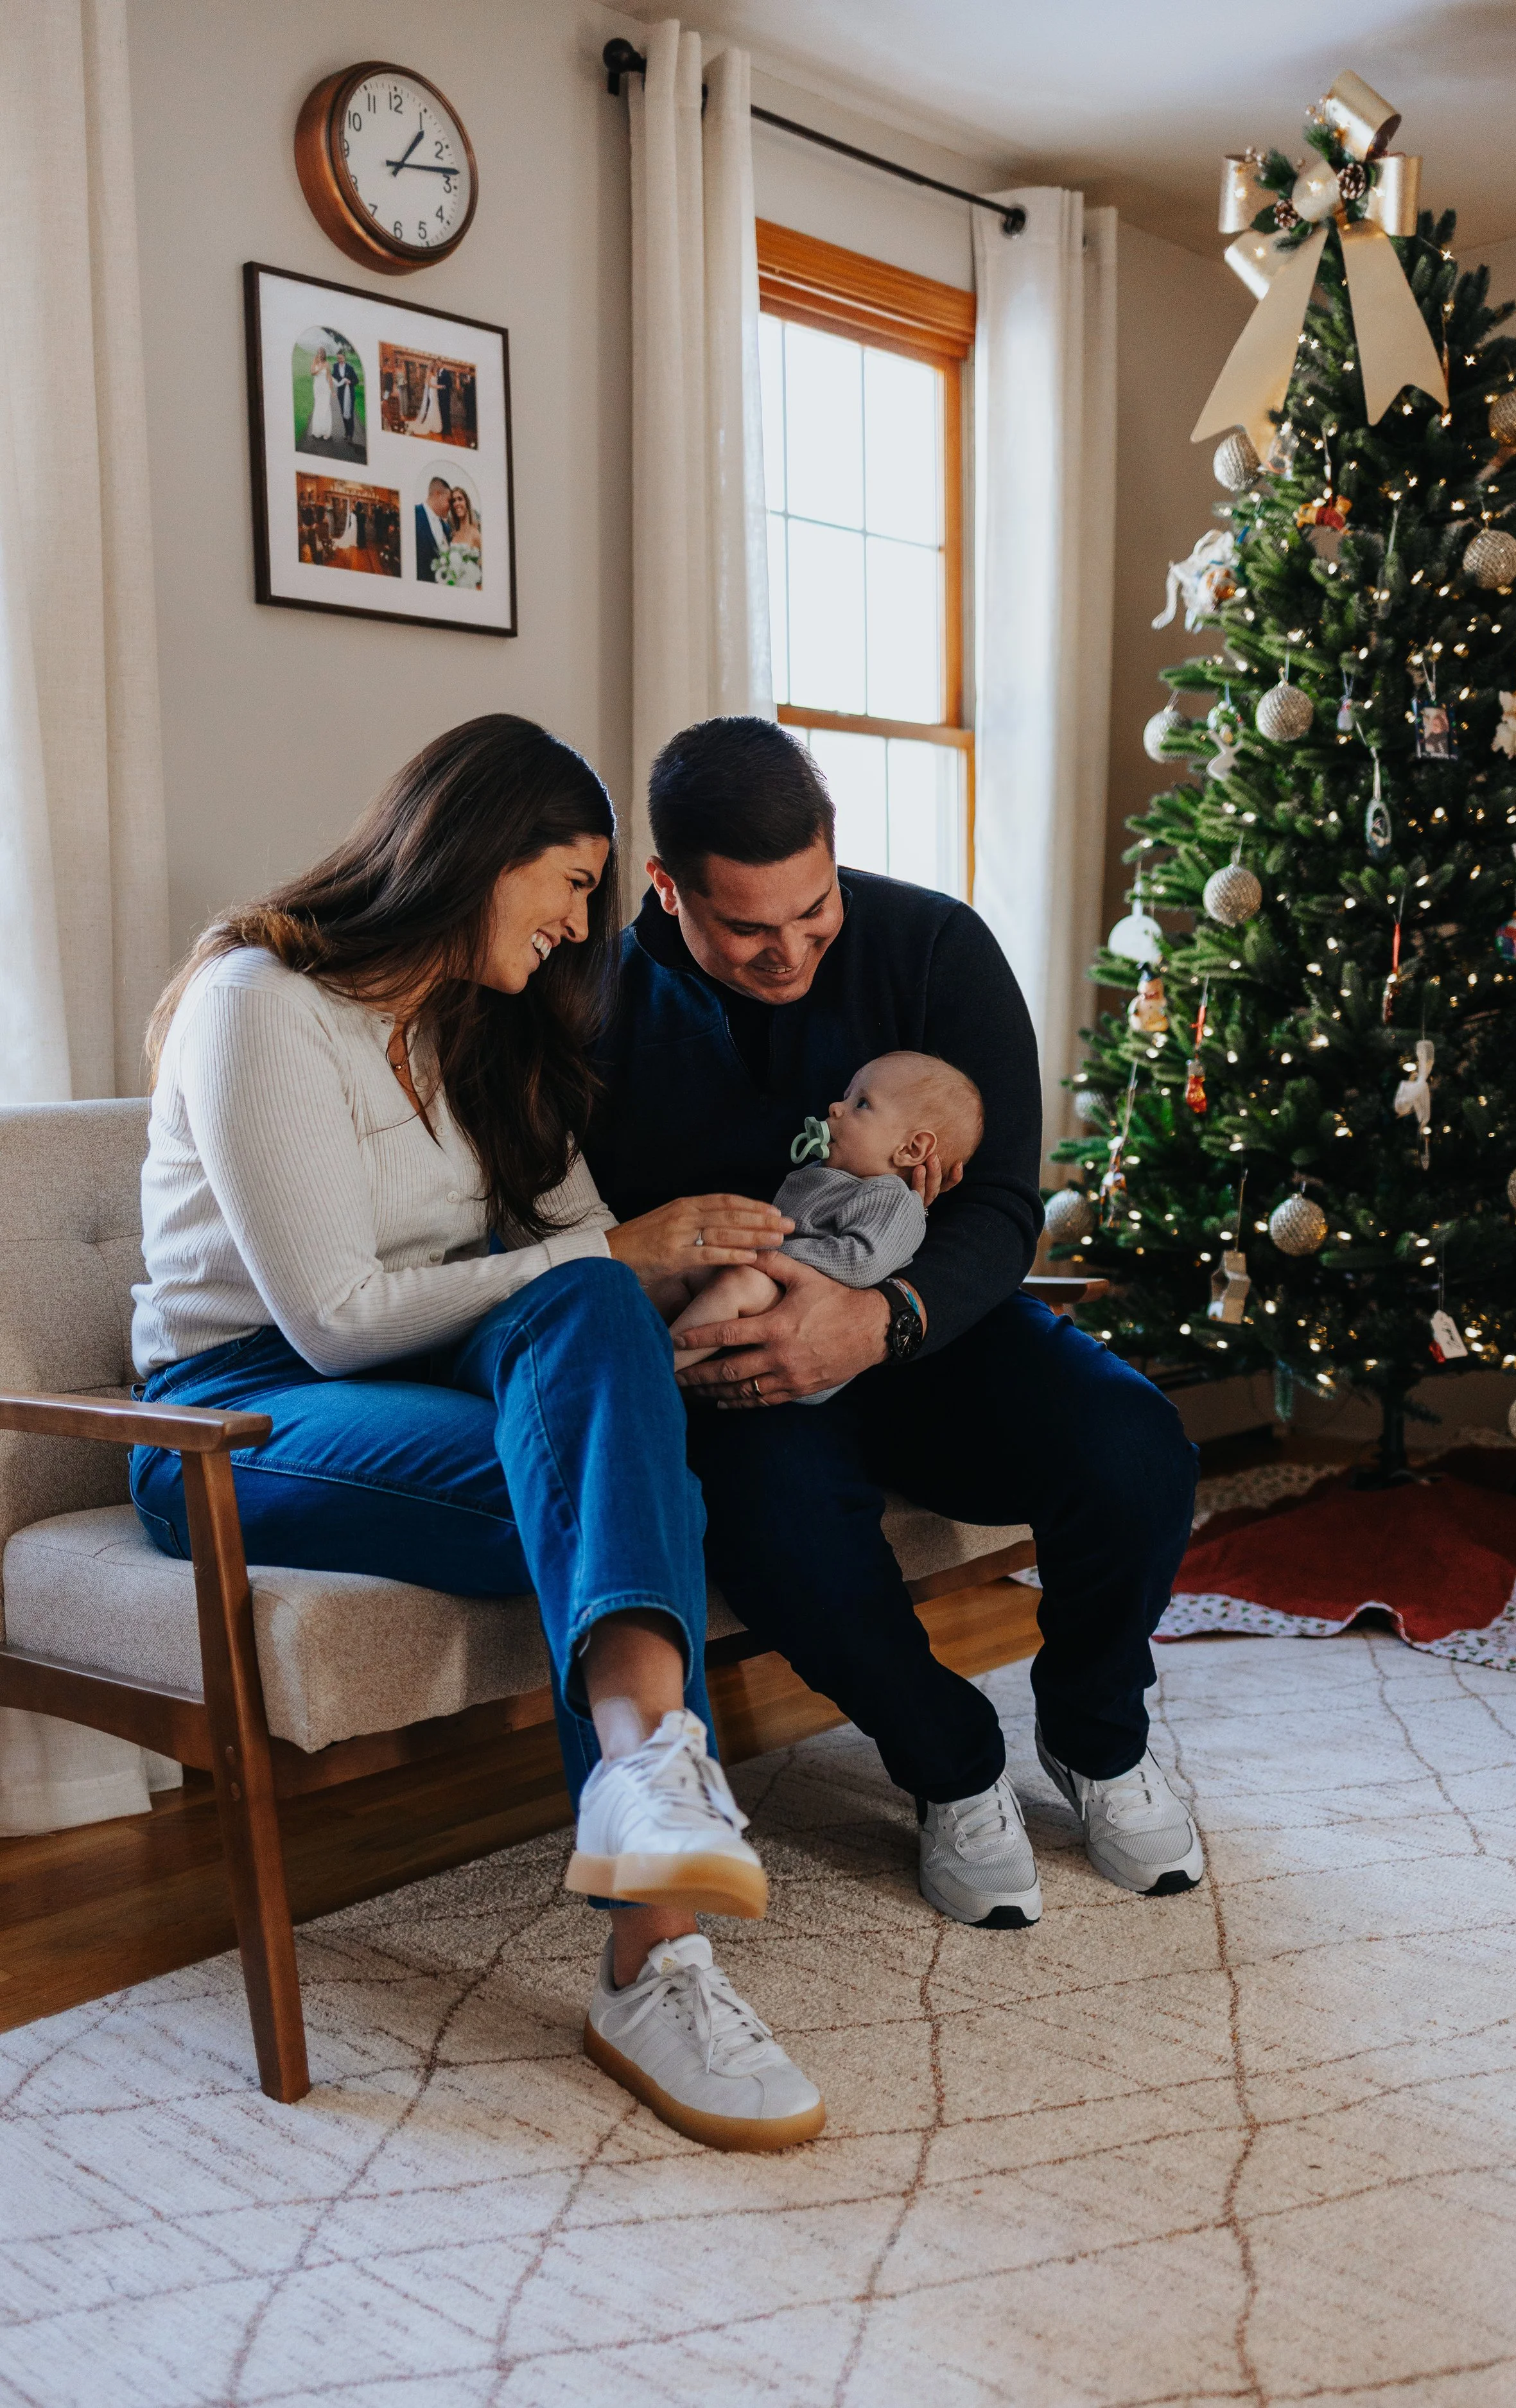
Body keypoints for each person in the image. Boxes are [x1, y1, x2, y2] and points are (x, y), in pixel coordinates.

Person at [128, 715, 826, 2152]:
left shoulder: (489, 1026)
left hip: (430, 1382)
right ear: (475, 851)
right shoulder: (259, 1001)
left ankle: (644, 1795)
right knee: (622, 1483)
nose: (583, 925)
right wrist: (608, 1262)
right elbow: (329, 1317)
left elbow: (580, 1256)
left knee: (594, 1334)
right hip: (233, 1419)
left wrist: (699, 1283)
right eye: (569, 882)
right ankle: (657, 1948)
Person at [586, 717, 1202, 1933]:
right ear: (669, 890)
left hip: (934, 1337)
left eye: (813, 909)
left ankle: (1095, 1735)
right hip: (740, 1372)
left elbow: (1009, 1203)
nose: (792, 948)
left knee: (1135, 1443)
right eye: (749, 928)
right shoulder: (599, 1002)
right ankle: (951, 1764)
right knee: (781, 1530)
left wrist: (887, 1314)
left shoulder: (933, 945)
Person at [667, 1053, 980, 1409]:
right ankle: (627, 1338)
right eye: (846, 1096)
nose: (835, 1107)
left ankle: (651, 1369)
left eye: (861, 1103)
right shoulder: (830, 1176)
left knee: (740, 1282)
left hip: (813, 1325)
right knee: (687, 1268)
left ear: (911, 1149)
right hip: (776, 1289)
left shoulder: (894, 1201)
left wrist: (766, 1256)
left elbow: (862, 1261)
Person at [415, 475, 451, 582]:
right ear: (438, 495)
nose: (451, 506)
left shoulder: (446, 528)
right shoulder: (413, 514)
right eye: (449, 501)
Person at [331, 350, 360, 454]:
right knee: (344, 413)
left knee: (350, 413)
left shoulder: (350, 368)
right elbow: (333, 376)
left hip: (350, 394)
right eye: (338, 358)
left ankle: (351, 435)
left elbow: (357, 381)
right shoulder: (335, 366)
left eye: (341, 358)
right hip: (341, 394)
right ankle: (346, 432)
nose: (340, 360)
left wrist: (350, 382)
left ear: (345, 357)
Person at [306, 347, 335, 446]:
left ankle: (326, 432)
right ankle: (318, 431)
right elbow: (312, 373)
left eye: (322, 353)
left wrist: (332, 390)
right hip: (317, 388)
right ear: (317, 354)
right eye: (319, 353)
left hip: (325, 388)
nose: (321, 355)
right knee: (318, 408)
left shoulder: (327, 364)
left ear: (324, 354)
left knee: (326, 408)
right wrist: (320, 369)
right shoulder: (315, 361)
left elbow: (329, 377)